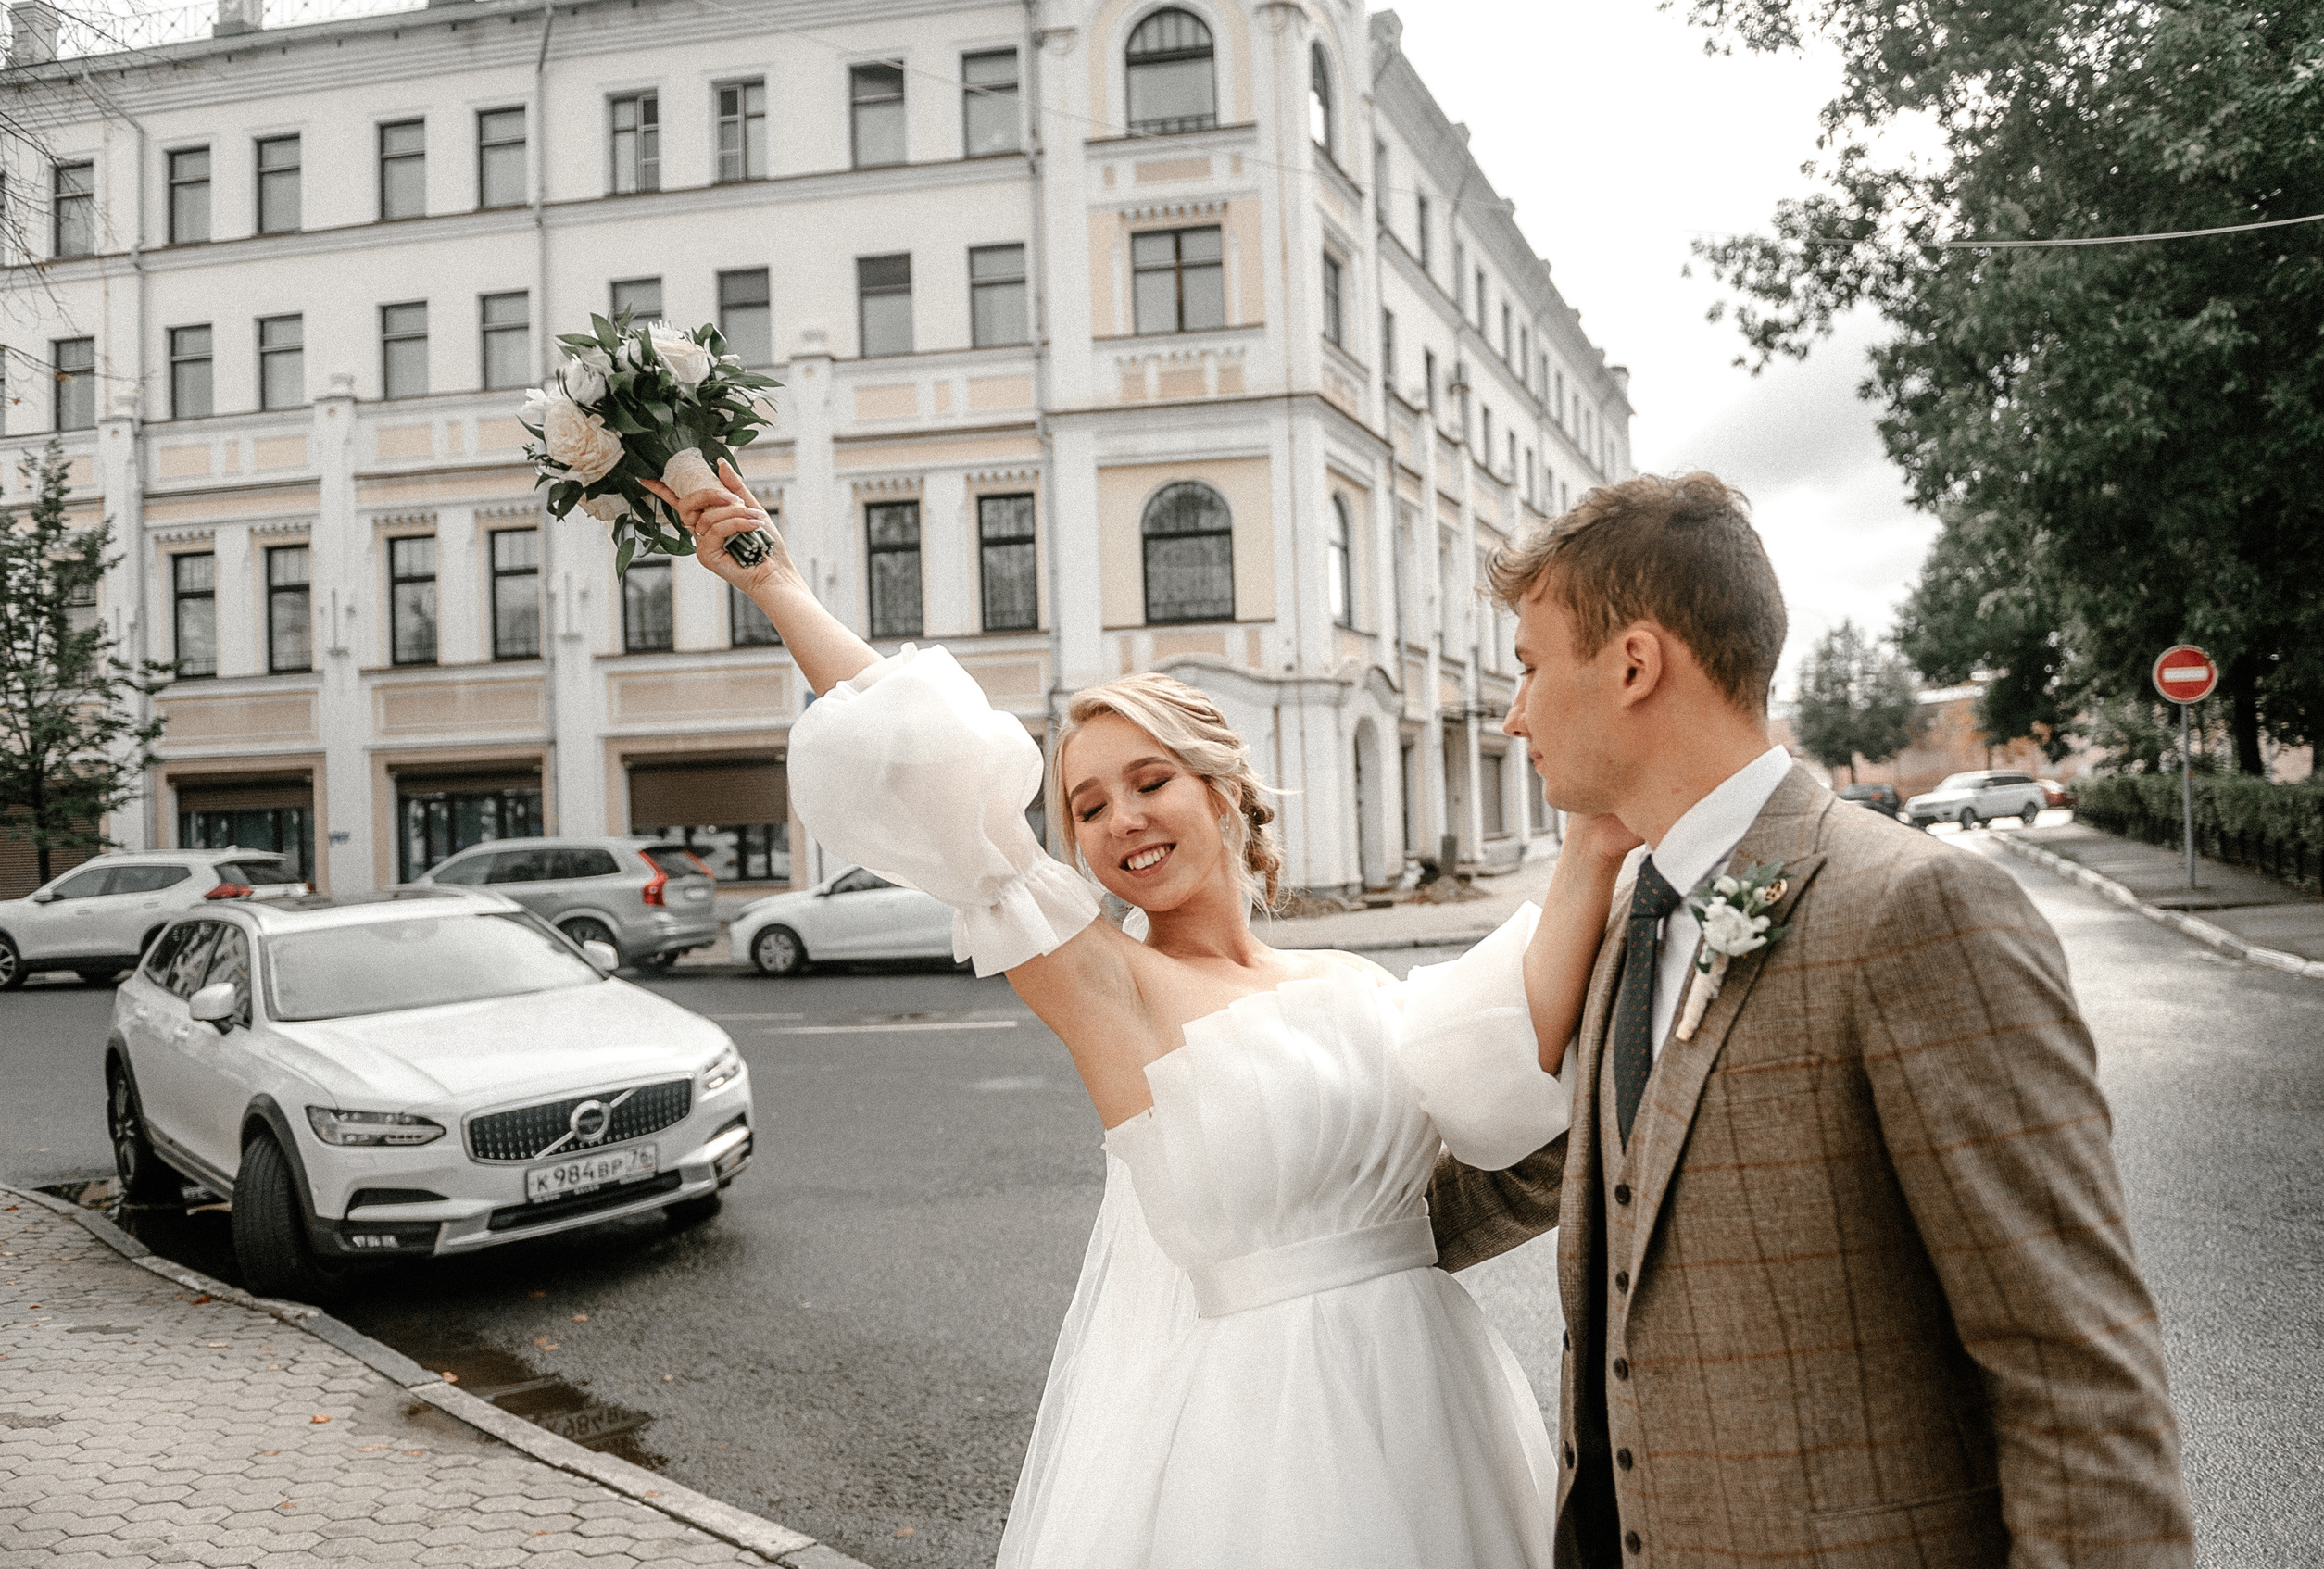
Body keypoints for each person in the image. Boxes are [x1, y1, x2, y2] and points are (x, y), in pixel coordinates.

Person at [651, 463, 1636, 1569]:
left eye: (1149, 780)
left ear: (1222, 791)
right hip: (1266, 1438)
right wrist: (778, 580)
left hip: (1438, 1399)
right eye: (1085, 805)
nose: (1120, 819)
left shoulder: (1361, 989)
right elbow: (930, 766)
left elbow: (1512, 1047)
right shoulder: (1104, 985)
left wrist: (1604, 835)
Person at [1426, 473, 2194, 1568]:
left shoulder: (1913, 911)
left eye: (1531, 667)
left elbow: (2073, 1370)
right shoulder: (1630, 921)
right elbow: (1568, 1169)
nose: (1515, 713)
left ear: (1634, 664)